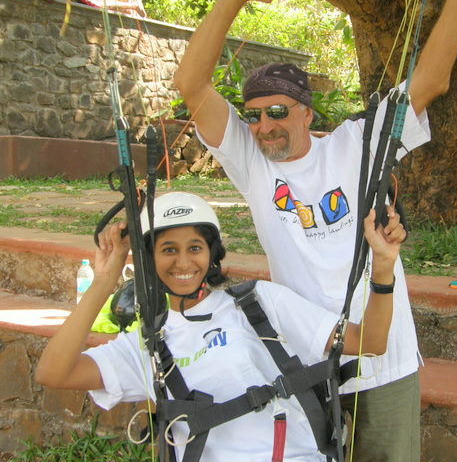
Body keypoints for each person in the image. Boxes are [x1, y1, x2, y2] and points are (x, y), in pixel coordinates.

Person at [174, 0, 457, 459]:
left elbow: (432, 79)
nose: (264, 126)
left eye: (277, 111)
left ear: (306, 112)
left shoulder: (356, 143)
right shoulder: (251, 161)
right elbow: (191, 85)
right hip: (305, 359)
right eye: (253, 115)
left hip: (384, 359)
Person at [35, 192, 405, 461]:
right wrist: (103, 282)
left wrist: (384, 267)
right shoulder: (146, 346)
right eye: (168, 249)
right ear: (149, 259)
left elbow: (369, 342)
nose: (183, 262)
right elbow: (53, 373)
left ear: (211, 253)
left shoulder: (259, 302)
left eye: (195, 248)